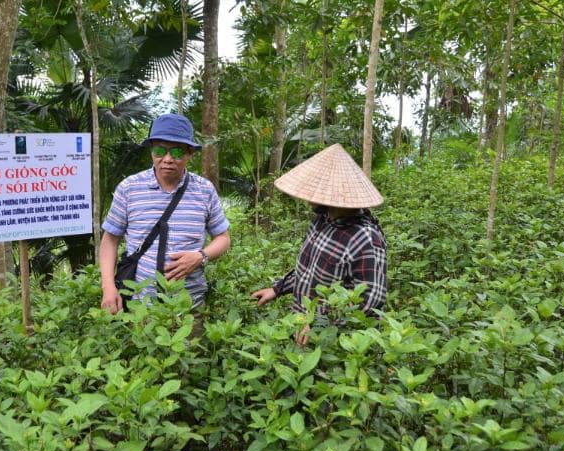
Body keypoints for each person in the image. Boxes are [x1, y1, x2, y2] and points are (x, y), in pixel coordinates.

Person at [252, 144, 387, 345]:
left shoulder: (366, 238)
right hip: (299, 327)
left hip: (336, 343)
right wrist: (278, 288)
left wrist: (317, 323)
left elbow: (369, 303)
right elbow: (309, 271)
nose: (309, 199)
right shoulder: (322, 220)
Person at [99, 113, 231, 314]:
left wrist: (200, 256)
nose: (167, 159)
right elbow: (110, 240)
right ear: (152, 151)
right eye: (160, 151)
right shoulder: (130, 188)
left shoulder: (204, 190)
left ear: (189, 154)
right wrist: (108, 287)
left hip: (189, 307)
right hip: (139, 308)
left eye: (177, 152)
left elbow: (223, 237)